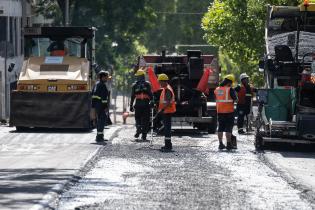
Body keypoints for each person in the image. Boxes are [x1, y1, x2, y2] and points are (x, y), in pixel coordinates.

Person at [214, 74, 238, 150]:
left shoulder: (217, 89)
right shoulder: (230, 89)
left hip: (220, 111)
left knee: (220, 127)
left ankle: (220, 144)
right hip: (229, 112)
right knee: (228, 128)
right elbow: (236, 99)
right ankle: (228, 144)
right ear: (229, 82)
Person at [130, 69, 153, 141]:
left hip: (138, 105)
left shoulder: (134, 85)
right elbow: (151, 94)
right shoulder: (147, 84)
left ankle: (138, 128)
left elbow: (132, 96)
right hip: (146, 105)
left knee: (137, 118)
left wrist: (131, 105)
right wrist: (152, 102)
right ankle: (144, 136)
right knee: (146, 120)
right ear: (143, 76)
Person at [157, 73, 176, 152]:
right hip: (166, 111)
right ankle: (167, 145)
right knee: (166, 128)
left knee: (167, 129)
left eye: (160, 82)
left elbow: (168, 102)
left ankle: (168, 146)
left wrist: (162, 110)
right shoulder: (165, 89)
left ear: (164, 81)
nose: (159, 83)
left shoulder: (167, 89)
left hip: (167, 111)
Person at [92, 70, 110, 142]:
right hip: (101, 105)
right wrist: (105, 107)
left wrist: (93, 106)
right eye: (106, 77)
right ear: (102, 77)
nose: (107, 79)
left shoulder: (96, 84)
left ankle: (100, 136)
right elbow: (104, 98)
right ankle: (99, 137)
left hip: (97, 105)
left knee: (100, 120)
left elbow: (93, 96)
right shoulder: (102, 85)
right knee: (101, 120)